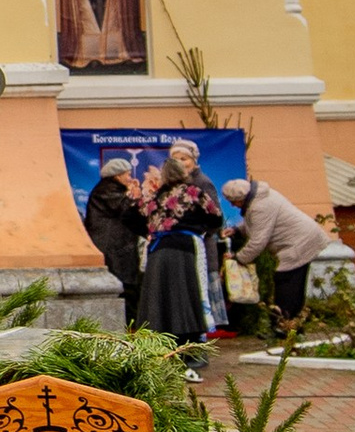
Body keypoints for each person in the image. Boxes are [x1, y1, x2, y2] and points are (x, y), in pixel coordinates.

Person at [222, 175, 337, 330]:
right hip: (302, 239)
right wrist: (237, 230)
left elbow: (258, 241)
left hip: (298, 243)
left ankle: (283, 326)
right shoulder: (261, 197)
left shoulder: (259, 206)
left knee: (286, 282)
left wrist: (238, 258)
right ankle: (292, 325)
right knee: (293, 283)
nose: (233, 205)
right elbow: (256, 222)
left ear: (242, 198)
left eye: (233, 201)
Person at [135, 141, 223, 342]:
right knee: (185, 294)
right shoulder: (192, 191)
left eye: (185, 158)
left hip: (158, 251)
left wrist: (152, 231)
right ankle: (190, 342)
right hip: (185, 248)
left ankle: (159, 341)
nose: (182, 163)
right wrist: (197, 228)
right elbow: (216, 217)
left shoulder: (156, 196)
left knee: (160, 296)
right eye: (178, 159)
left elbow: (133, 215)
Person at [80, 163, 145, 321]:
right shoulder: (107, 191)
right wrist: (134, 196)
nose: (130, 178)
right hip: (114, 249)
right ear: (117, 176)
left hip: (118, 247)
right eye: (127, 175)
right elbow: (125, 209)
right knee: (125, 288)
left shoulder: (109, 190)